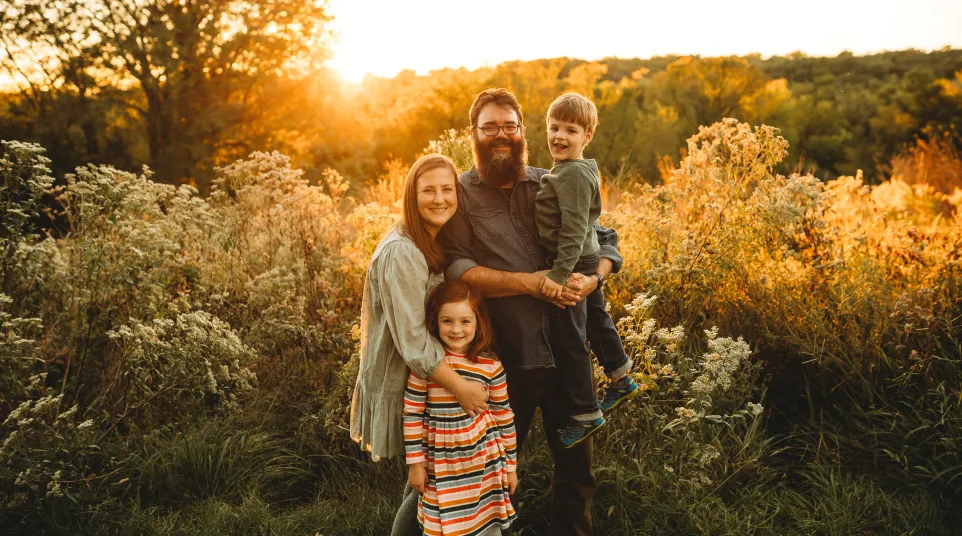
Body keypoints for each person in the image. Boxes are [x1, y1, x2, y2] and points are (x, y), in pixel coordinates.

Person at [437, 88, 625, 536]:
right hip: (504, 361)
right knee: (493, 471)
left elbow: (607, 239)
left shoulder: (554, 179)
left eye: (509, 125)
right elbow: (456, 267)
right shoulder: (459, 195)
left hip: (567, 359)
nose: (500, 135)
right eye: (490, 127)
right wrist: (533, 283)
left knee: (577, 476)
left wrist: (592, 278)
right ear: (473, 134)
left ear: (522, 132)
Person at [348, 154, 490, 536]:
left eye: (447, 189)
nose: (440, 198)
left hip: (430, 378)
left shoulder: (427, 240)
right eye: (429, 190)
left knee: (427, 482)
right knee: (429, 483)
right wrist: (460, 386)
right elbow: (412, 341)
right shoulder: (404, 251)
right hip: (411, 380)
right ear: (412, 195)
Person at [534, 93, 640, 448]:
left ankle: (585, 412)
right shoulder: (570, 170)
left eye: (571, 130)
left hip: (575, 261)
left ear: (587, 136)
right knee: (596, 318)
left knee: (569, 339)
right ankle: (621, 376)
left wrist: (560, 274)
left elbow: (577, 227)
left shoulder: (574, 175)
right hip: (587, 258)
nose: (559, 136)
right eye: (553, 127)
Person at [403, 280, 518, 536]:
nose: (456, 329)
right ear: (435, 321)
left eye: (465, 321)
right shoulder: (428, 365)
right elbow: (412, 414)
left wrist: (510, 467)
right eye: (447, 321)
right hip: (441, 465)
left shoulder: (490, 366)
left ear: (478, 323)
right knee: (442, 525)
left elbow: (503, 416)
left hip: (484, 463)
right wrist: (415, 465)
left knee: (486, 526)